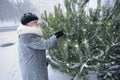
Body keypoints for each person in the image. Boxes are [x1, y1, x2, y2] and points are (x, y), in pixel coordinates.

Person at [17, 12, 64, 80]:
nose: (37, 23)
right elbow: (46, 44)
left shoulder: (25, 34)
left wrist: (42, 61)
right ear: (28, 24)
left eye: (37, 21)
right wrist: (56, 36)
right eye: (35, 22)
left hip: (31, 66)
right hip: (33, 69)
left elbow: (35, 50)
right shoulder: (28, 36)